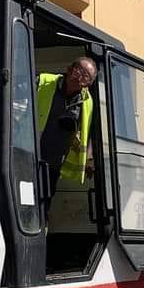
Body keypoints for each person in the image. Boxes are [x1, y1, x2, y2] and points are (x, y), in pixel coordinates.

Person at [36, 57, 97, 200]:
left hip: (53, 164)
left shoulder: (87, 102)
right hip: (28, 155)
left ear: (88, 84)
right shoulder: (44, 81)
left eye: (86, 76)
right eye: (78, 71)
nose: (80, 77)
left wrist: (88, 159)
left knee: (43, 203)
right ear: (69, 70)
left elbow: (88, 133)